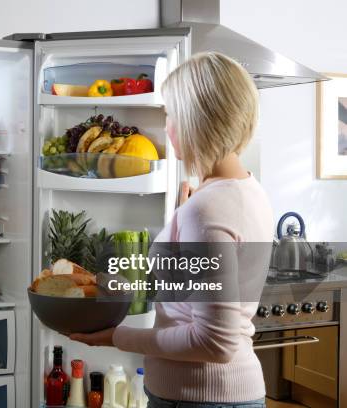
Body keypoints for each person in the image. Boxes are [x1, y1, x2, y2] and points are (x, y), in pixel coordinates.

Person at [70, 52, 273, 408]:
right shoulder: (247, 191)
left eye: (171, 115)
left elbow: (215, 343)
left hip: (202, 399)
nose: (167, 127)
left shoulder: (208, 208)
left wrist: (118, 337)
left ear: (198, 119)